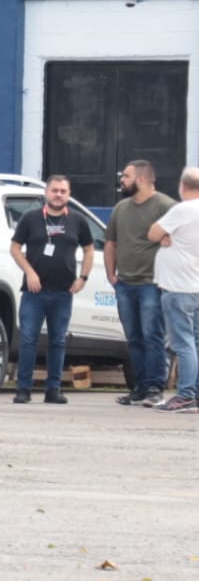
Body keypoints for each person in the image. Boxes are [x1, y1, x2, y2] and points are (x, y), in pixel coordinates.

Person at [8, 176, 94, 405]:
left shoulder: (77, 220)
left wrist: (83, 277)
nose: (58, 195)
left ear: (69, 194)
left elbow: (89, 249)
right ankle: (23, 389)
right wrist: (29, 272)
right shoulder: (31, 218)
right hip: (34, 292)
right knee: (28, 340)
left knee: (58, 341)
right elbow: (15, 248)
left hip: (63, 292)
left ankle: (53, 389)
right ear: (46, 193)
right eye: (54, 190)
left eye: (63, 191)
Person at [105, 159, 175, 406]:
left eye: (126, 176)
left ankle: (156, 387)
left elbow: (185, 237)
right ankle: (140, 387)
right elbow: (111, 243)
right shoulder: (121, 208)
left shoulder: (166, 206)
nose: (121, 180)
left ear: (142, 179)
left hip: (152, 285)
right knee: (133, 338)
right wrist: (111, 275)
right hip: (125, 284)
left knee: (152, 336)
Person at [146, 167, 199, 413]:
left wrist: (165, 235)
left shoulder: (183, 209)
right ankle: (195, 393)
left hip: (179, 286)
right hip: (196, 286)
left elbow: (153, 232)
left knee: (183, 343)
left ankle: (186, 394)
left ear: (182, 186)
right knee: (195, 342)